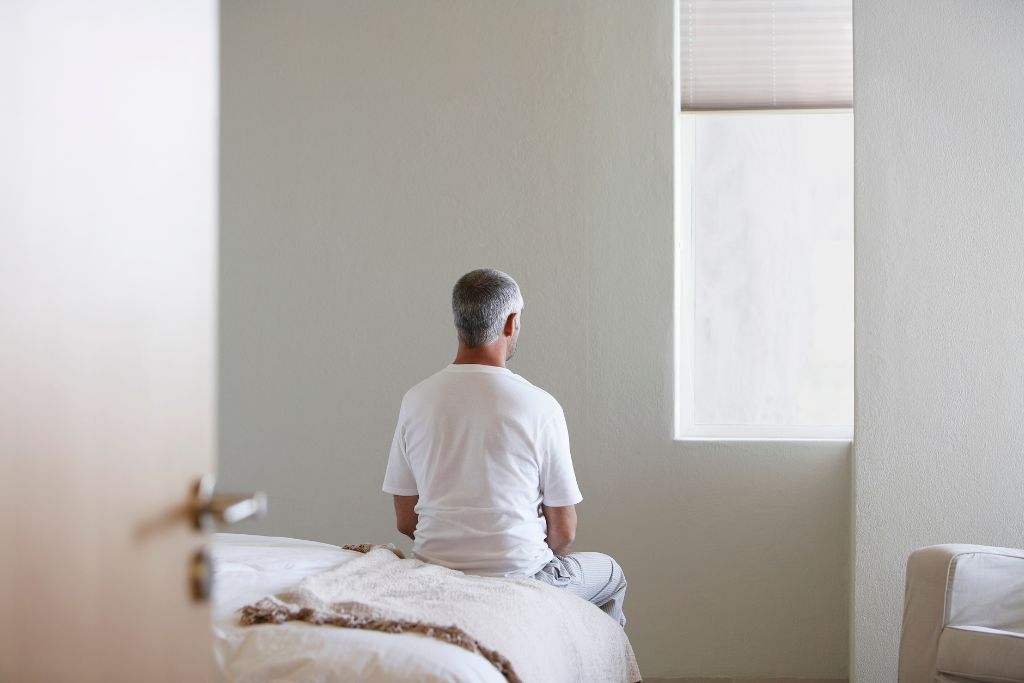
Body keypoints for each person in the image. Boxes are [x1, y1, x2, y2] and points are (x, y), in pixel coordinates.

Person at [382, 268, 627, 626]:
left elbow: (406, 520)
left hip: (435, 573)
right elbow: (564, 534)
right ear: (511, 322)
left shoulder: (416, 400)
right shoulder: (540, 406)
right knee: (612, 574)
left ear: (459, 323)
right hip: (522, 580)